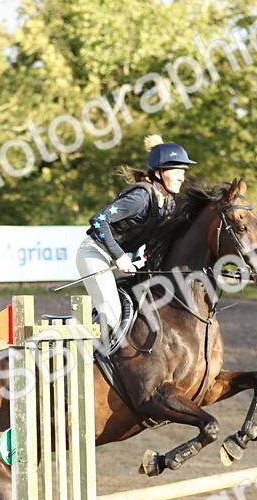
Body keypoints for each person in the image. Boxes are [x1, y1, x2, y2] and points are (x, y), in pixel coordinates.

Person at [76, 134, 196, 348]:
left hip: (121, 260)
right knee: (112, 316)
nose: (182, 178)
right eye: (177, 171)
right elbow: (98, 220)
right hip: (96, 254)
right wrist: (120, 256)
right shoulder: (139, 197)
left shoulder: (167, 203)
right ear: (159, 173)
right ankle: (86, 358)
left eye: (183, 172)